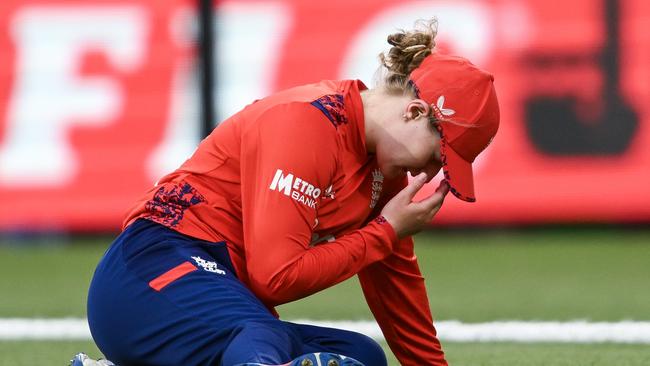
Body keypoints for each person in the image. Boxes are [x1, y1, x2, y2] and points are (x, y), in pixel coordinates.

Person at [81, 18, 499, 366]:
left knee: (360, 355)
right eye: (438, 155)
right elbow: (274, 278)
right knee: (259, 331)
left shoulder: (381, 168)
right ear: (415, 112)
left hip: (196, 296)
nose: (428, 172)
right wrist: (386, 230)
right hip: (147, 276)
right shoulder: (306, 123)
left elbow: (397, 291)